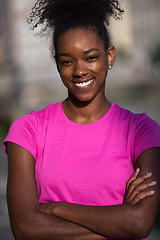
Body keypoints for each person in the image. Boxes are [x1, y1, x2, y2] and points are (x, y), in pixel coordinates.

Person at [3, 0, 160, 239]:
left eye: (90, 57)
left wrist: (54, 209)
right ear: (57, 64)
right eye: (67, 61)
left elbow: (139, 222)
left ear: (110, 56)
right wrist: (118, 220)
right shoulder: (28, 130)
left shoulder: (142, 131)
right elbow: (24, 228)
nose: (79, 70)